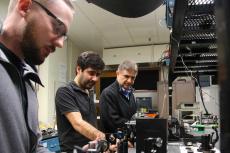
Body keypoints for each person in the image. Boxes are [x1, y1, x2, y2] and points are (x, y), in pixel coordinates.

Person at [0, 0, 74, 153]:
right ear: (24, 6)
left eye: (64, 35)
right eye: (57, 27)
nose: (60, 43)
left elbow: (34, 147)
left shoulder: (28, 80)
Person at [55, 51, 107, 153]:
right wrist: (103, 138)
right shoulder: (65, 91)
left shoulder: (88, 93)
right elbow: (78, 123)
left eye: (98, 74)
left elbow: (90, 124)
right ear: (79, 69)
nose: (95, 78)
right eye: (91, 73)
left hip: (91, 149)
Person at [99, 60, 138, 134]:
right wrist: (136, 125)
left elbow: (132, 117)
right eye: (126, 76)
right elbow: (113, 122)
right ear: (117, 74)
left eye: (133, 78)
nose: (129, 81)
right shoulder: (108, 93)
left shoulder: (130, 94)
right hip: (113, 142)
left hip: (127, 139)